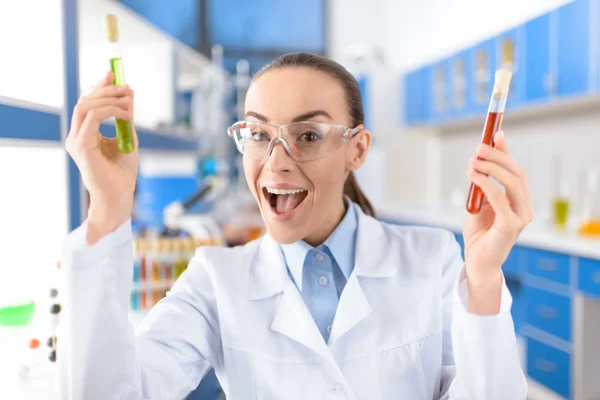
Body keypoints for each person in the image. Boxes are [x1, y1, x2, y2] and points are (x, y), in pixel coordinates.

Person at [58, 53, 531, 399]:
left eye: (308, 135)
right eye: (259, 135)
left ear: (357, 149)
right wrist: (108, 207)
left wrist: (485, 279)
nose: (276, 163)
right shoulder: (216, 279)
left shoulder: (432, 260)